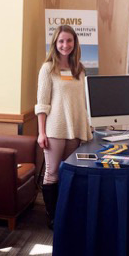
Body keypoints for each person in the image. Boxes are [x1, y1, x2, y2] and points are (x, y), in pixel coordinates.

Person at [35, 25, 93, 229]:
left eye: (69, 41)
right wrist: (41, 132)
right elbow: (42, 104)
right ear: (55, 43)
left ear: (75, 43)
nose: (65, 45)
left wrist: (87, 125)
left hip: (75, 128)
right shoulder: (48, 68)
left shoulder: (79, 69)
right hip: (55, 129)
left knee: (70, 172)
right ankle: (52, 217)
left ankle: (66, 211)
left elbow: (81, 102)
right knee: (52, 174)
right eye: (61, 41)